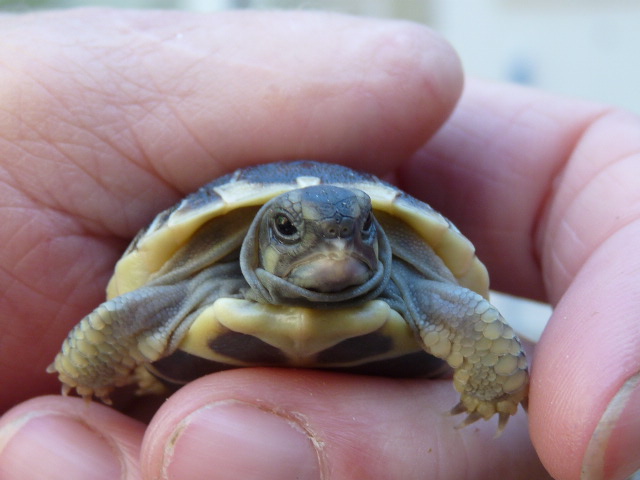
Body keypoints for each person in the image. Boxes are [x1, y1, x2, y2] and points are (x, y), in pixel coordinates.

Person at [0, 8, 637, 480]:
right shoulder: (198, 275)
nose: (332, 247)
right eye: (291, 232)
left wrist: (496, 387)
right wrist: (90, 370)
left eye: (359, 232)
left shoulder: (410, 282)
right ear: (259, 240)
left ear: (374, 237)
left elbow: (468, 315)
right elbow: (121, 316)